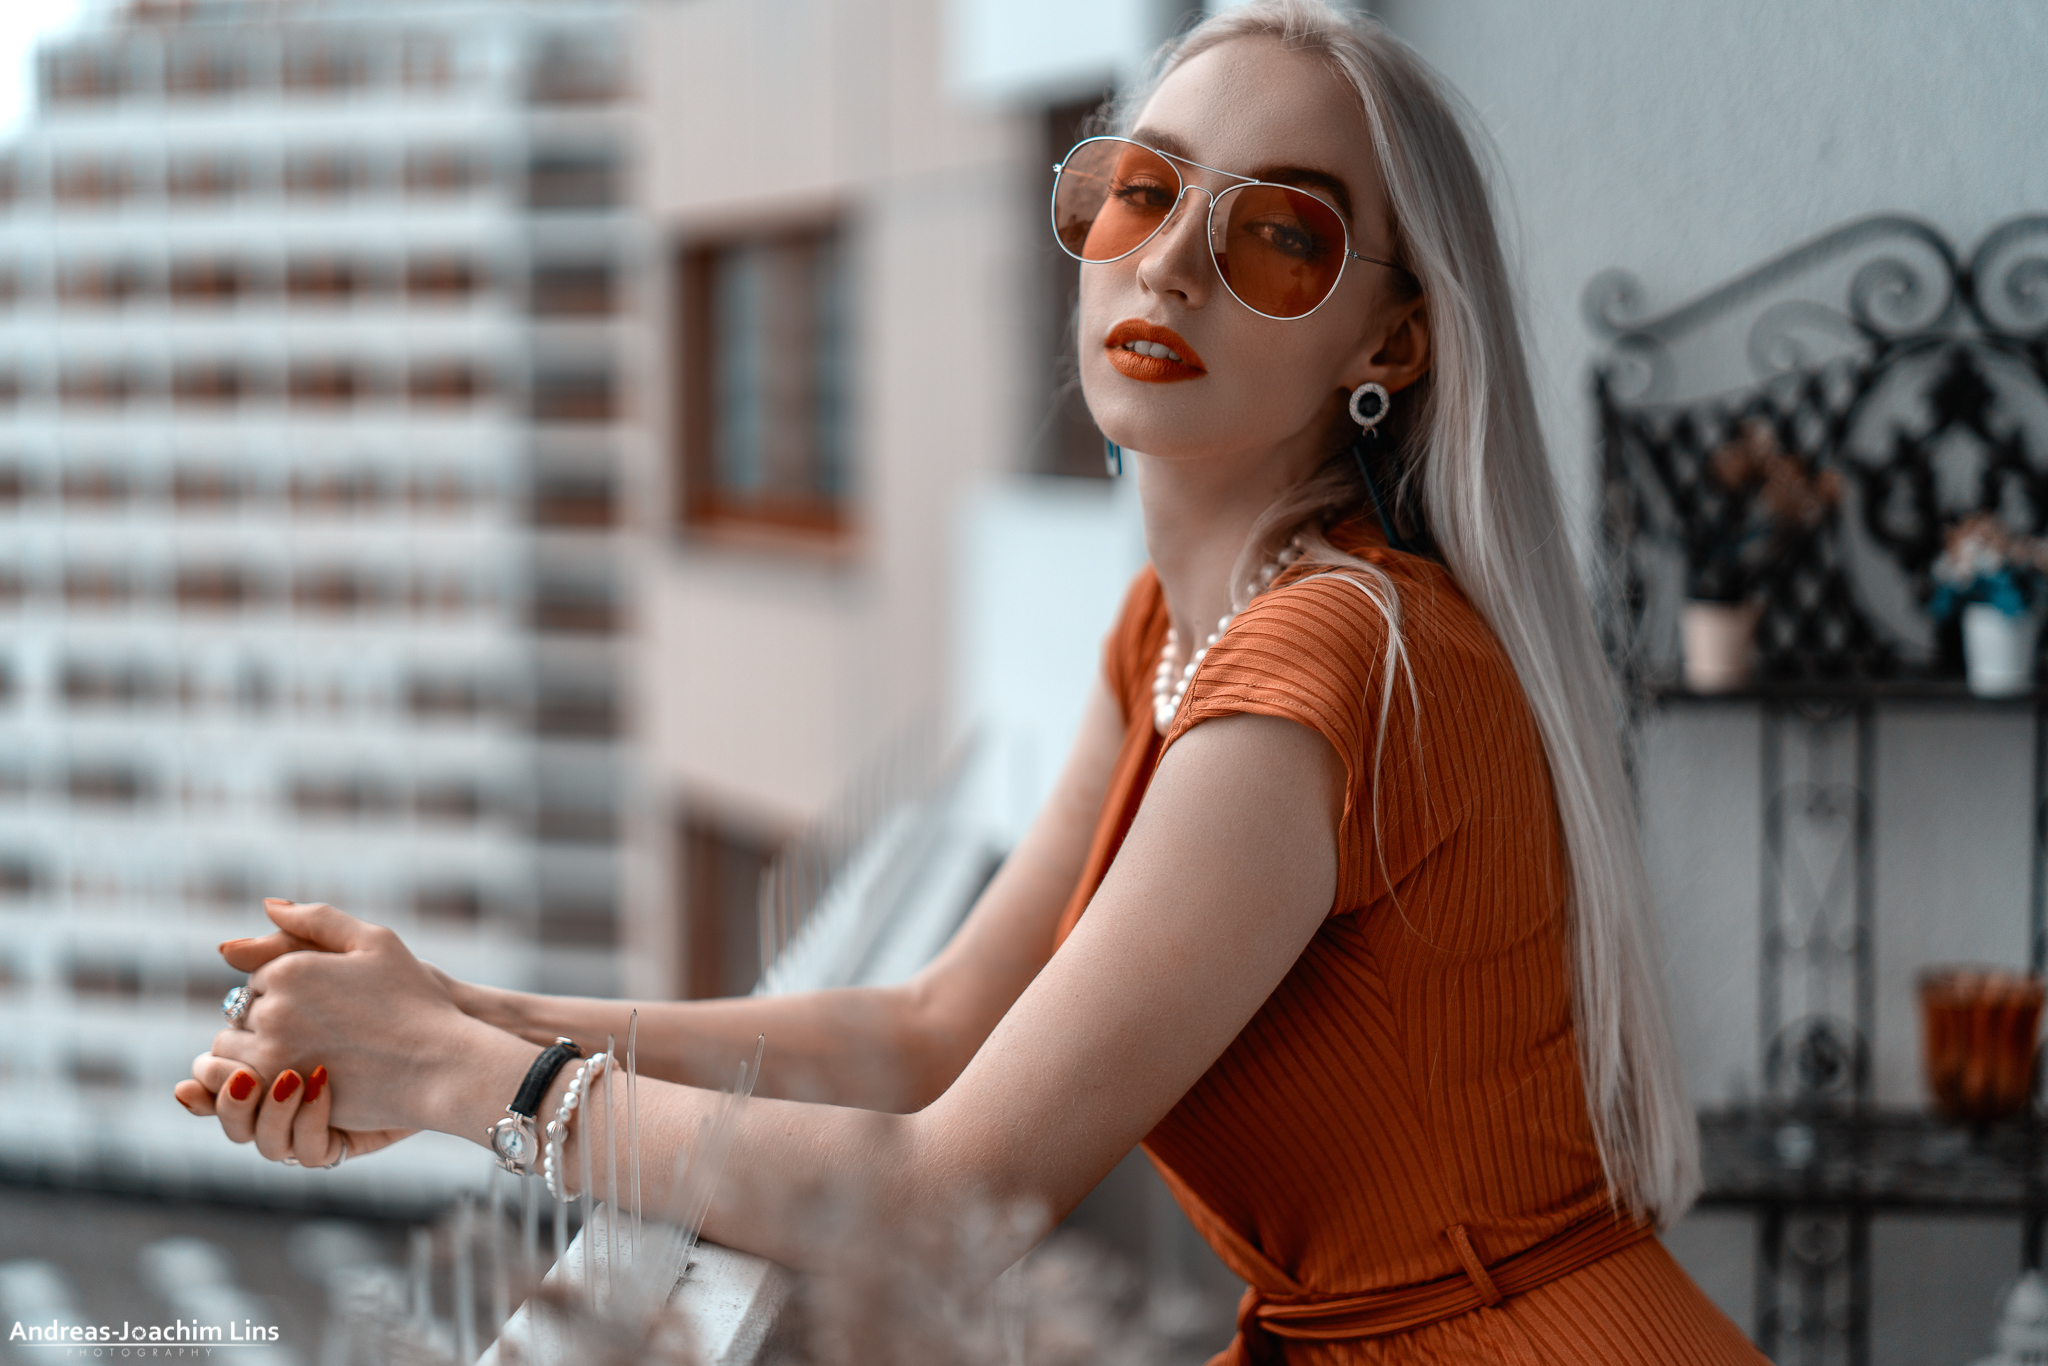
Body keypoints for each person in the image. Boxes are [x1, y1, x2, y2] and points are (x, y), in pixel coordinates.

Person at [179, 3, 1766, 1360]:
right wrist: (442, 1008)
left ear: (1395, 339)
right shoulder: (1174, 623)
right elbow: (935, 1024)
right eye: (1142, 192)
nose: (1176, 266)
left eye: (1282, 234)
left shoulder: (1333, 655)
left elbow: (951, 1187)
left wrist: (470, 1081)